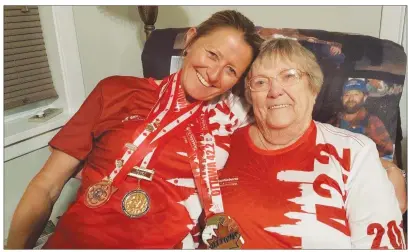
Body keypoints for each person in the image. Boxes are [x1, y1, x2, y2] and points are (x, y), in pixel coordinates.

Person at [6, 10, 263, 249]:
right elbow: (47, 186)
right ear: (191, 39)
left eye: (231, 70)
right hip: (78, 239)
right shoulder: (115, 91)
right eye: (212, 54)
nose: (214, 74)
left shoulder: (232, 122)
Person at [217, 39, 406, 249]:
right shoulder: (220, 145)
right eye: (261, 82)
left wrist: (389, 166)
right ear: (250, 95)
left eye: (289, 76)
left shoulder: (355, 153)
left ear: (313, 88)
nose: (274, 91)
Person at [329, 78, 394, 160]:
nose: (351, 99)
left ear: (365, 97)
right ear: (342, 98)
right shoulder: (334, 120)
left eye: (356, 94)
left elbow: (388, 152)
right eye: (347, 95)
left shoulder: (372, 122)